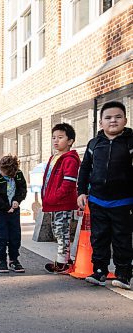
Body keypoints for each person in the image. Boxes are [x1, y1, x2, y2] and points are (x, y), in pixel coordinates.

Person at [77, 101, 133, 290]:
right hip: (97, 200)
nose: (113, 121)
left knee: (122, 238)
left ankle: (123, 273)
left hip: (123, 201)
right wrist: (81, 192)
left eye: (118, 117)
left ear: (125, 119)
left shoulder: (130, 141)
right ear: (100, 122)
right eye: (108, 118)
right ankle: (99, 271)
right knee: (99, 237)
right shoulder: (94, 144)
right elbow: (84, 169)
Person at [42, 123, 81, 274]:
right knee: (57, 231)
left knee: (62, 231)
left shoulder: (70, 159)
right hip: (53, 202)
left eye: (60, 137)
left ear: (70, 141)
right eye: (53, 138)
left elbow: (68, 184)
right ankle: (65, 259)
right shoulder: (54, 157)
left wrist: (54, 197)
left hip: (62, 203)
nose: (56, 141)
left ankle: (62, 263)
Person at [0, 154, 27, 274]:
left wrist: (17, 200)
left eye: (3, 172)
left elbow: (22, 188)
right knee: (2, 236)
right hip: (0, 211)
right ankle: (2, 260)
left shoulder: (18, 174)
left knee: (15, 236)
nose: (0, 172)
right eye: (0, 169)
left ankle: (14, 259)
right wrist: (5, 207)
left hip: (14, 210)